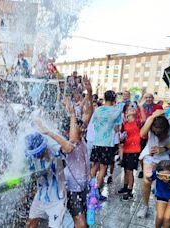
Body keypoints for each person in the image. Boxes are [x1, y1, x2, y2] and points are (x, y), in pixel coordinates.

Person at [25, 118, 75, 228]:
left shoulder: (53, 147)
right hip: (40, 196)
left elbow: (69, 147)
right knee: (30, 224)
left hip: (57, 199)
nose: (37, 156)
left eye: (39, 153)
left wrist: (48, 132)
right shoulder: (29, 152)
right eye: (35, 154)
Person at [136, 110, 170, 218]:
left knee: (166, 181)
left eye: (159, 132)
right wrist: (152, 117)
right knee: (146, 180)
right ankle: (145, 206)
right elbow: (142, 134)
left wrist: (164, 148)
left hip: (167, 157)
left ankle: (164, 203)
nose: (156, 133)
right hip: (150, 156)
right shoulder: (151, 120)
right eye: (154, 131)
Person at [62, 75, 93, 228]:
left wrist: (90, 91)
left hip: (84, 186)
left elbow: (88, 114)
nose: (81, 127)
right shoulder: (69, 141)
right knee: (81, 224)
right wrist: (73, 114)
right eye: (77, 125)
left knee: (83, 222)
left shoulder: (81, 136)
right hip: (72, 188)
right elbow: (74, 136)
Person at [90, 90, 124, 200]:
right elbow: (117, 128)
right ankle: (97, 192)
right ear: (114, 99)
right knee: (103, 168)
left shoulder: (98, 109)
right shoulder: (116, 111)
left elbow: (94, 124)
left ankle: (89, 189)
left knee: (94, 166)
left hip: (97, 142)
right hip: (107, 144)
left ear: (104, 98)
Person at [118, 104, 142, 201]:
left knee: (130, 170)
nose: (131, 109)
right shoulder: (125, 124)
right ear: (126, 113)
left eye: (133, 108)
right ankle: (125, 185)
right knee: (125, 169)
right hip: (126, 148)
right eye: (129, 109)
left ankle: (129, 190)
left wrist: (140, 106)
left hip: (134, 149)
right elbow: (122, 136)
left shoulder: (137, 122)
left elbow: (143, 118)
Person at [150, 160, 170, 228]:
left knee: (167, 217)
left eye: (167, 176)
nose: (163, 178)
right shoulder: (156, 173)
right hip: (161, 196)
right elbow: (148, 179)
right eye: (160, 176)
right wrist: (147, 176)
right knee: (159, 217)